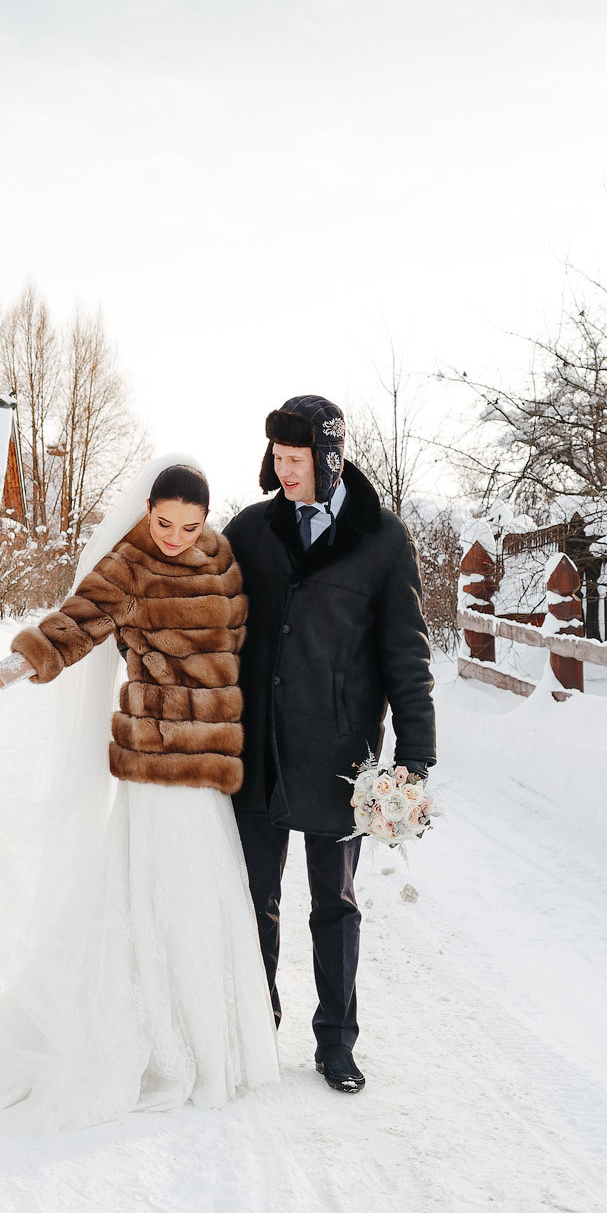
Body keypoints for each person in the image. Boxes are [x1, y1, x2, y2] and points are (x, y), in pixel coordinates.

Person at [0, 455, 278, 1129]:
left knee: (205, 901)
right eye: (163, 522)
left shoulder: (223, 562)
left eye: (190, 526)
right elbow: (71, 627)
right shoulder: (129, 564)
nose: (175, 537)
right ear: (148, 511)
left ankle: (212, 1044)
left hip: (211, 770)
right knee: (149, 898)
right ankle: (154, 1041)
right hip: (155, 765)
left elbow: (246, 650)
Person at [223, 396, 437, 1095]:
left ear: (329, 457)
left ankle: (336, 1041)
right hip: (256, 749)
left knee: (334, 904)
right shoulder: (250, 531)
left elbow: (407, 653)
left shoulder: (381, 539)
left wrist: (415, 758)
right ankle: (256, 1029)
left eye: (297, 460)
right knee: (252, 898)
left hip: (340, 755)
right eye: (277, 459)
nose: (284, 471)